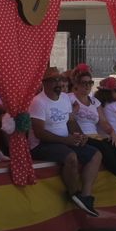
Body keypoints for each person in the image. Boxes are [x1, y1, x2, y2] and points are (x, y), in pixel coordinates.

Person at [29, 67, 103, 217]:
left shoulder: (64, 98)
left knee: (95, 154)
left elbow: (71, 121)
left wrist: (81, 136)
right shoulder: (38, 102)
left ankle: (85, 196)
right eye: (53, 80)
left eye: (60, 79)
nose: (58, 83)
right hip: (41, 145)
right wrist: (66, 140)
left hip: (63, 141)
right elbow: (40, 133)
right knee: (70, 157)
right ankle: (73, 194)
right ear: (44, 83)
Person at [69, 66, 116, 188]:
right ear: (76, 84)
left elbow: (103, 121)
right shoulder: (69, 99)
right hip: (81, 137)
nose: (87, 86)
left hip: (96, 136)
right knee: (106, 148)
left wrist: (112, 132)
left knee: (114, 146)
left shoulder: (95, 101)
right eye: (84, 83)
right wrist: (73, 112)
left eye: (90, 83)